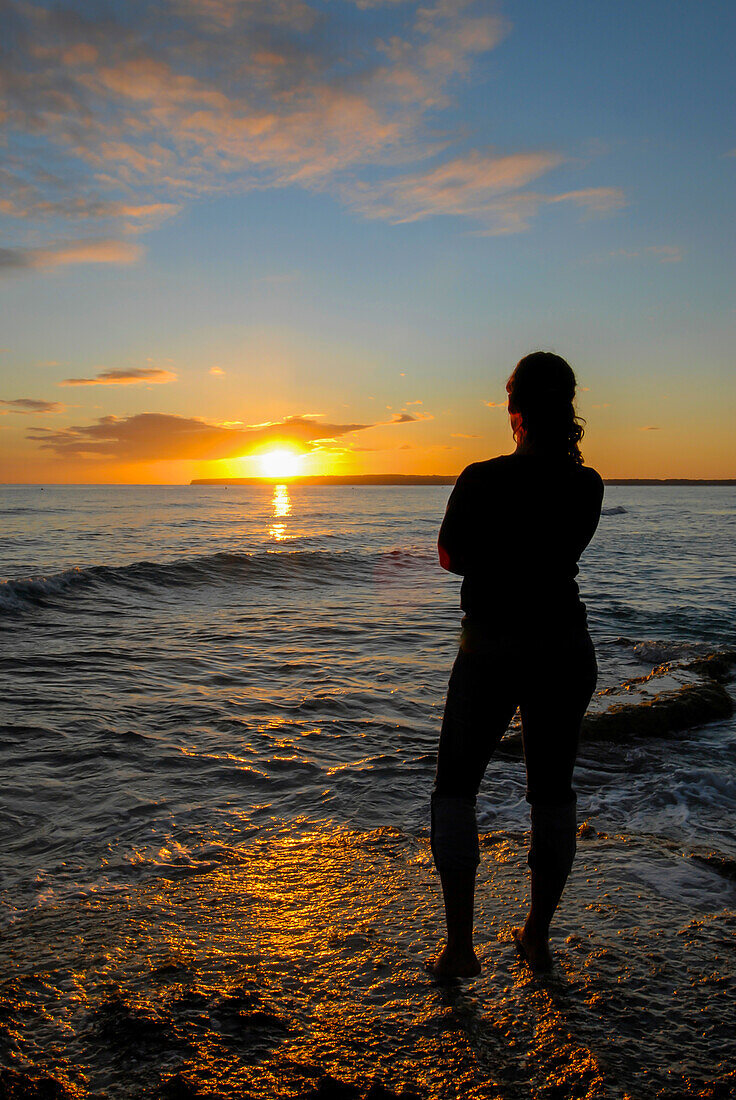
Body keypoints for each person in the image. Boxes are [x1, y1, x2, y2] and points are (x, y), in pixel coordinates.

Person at [428, 351, 604, 978]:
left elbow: (451, 555)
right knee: (551, 793)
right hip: (563, 647)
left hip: (492, 649)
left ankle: (459, 947)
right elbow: (560, 549)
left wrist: (490, 554)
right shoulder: (586, 484)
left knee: (454, 790)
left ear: (516, 412)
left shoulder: (481, 478)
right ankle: (536, 934)